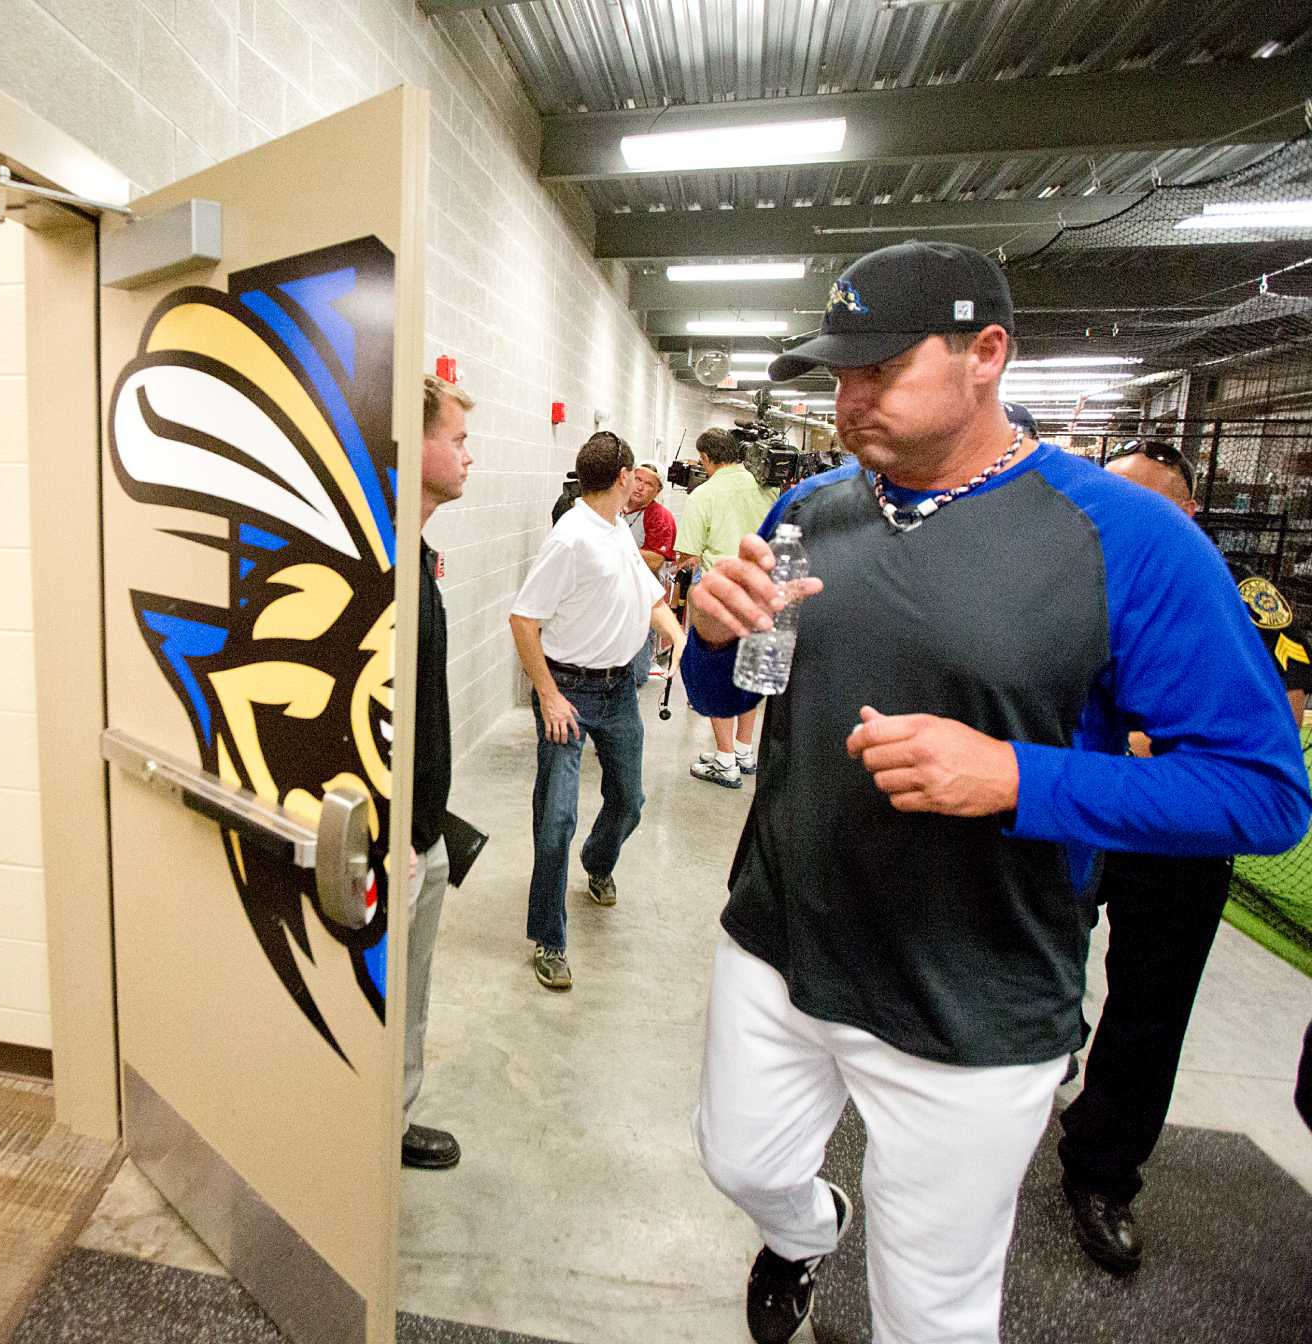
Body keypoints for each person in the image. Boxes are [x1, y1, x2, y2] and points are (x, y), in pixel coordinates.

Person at [681, 240, 1309, 1344]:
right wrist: (704, 633)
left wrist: (1019, 776)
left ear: (985, 354)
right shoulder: (812, 510)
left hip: (969, 993)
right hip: (778, 937)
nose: (847, 399)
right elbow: (725, 682)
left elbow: (1261, 792)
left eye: (878, 368)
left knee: (929, 1309)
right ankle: (802, 1228)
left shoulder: (1128, 540)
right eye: (835, 373)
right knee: (739, 1161)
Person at [1055, 437, 1312, 1271]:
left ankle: (1103, 1170)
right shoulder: (1064, 569)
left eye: (1150, 500)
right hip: (1073, 805)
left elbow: (1285, 712)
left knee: (1152, 1003)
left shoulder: (1242, 596)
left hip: (1180, 834)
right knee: (1027, 951)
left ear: (1190, 511)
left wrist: (1157, 744)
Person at [510, 432, 687, 991]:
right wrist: (547, 695)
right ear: (623, 477)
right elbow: (523, 620)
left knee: (629, 801)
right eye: (636, 475)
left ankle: (598, 860)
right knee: (556, 817)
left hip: (617, 697)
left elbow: (651, 596)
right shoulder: (571, 540)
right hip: (568, 694)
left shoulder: (614, 531)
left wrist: (678, 636)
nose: (640, 483)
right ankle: (549, 939)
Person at [402, 374, 472, 1171]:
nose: (467, 456)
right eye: (456, 440)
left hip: (424, 828)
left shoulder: (417, 554)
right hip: (396, 839)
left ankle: (392, 1115)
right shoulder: (382, 560)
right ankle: (373, 1127)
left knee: (411, 997)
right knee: (392, 997)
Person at [675, 427, 779, 788]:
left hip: (720, 596)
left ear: (705, 458)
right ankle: (744, 750)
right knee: (749, 672)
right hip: (762, 592)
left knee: (718, 672)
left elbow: (688, 555)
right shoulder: (768, 488)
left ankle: (724, 759)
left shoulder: (703, 494)